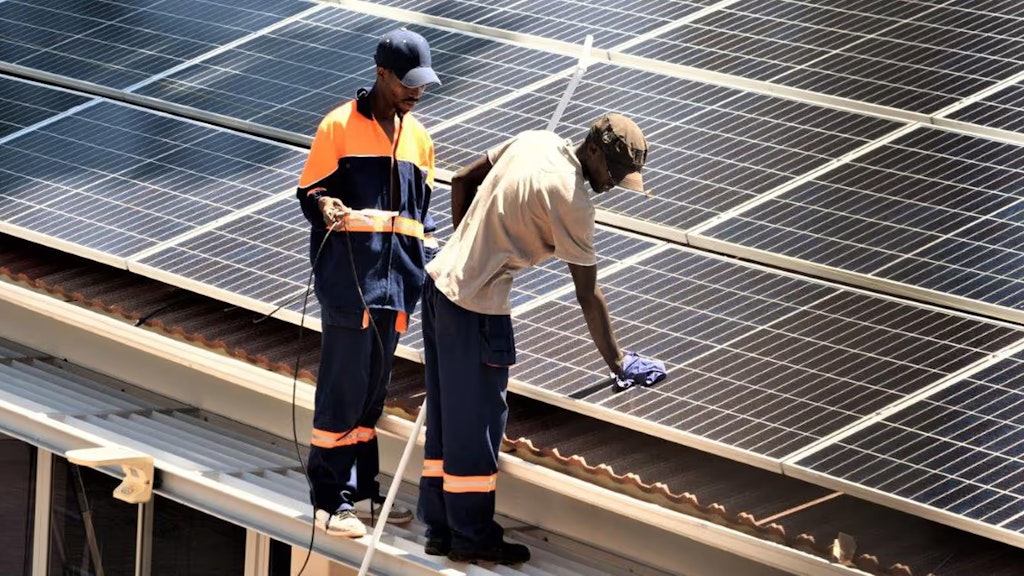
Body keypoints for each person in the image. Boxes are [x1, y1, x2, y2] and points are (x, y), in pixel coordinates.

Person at [417, 113, 667, 564]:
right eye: (612, 172)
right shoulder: (573, 202)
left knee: (446, 419)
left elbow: (460, 179)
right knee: (478, 426)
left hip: (437, 289)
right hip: (475, 309)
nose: (611, 185)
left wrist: (465, 247)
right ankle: (471, 536)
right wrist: (618, 362)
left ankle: (440, 529)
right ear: (593, 150)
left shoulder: (536, 140)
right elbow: (588, 294)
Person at [295, 27, 441, 539]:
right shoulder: (338, 126)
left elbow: (418, 219)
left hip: (399, 286)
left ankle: (361, 493)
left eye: (421, 84)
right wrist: (324, 205)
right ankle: (328, 500)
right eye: (407, 82)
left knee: (371, 398)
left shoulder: (420, 139)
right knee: (342, 393)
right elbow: (310, 192)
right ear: (381, 73)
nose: (415, 92)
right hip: (350, 284)